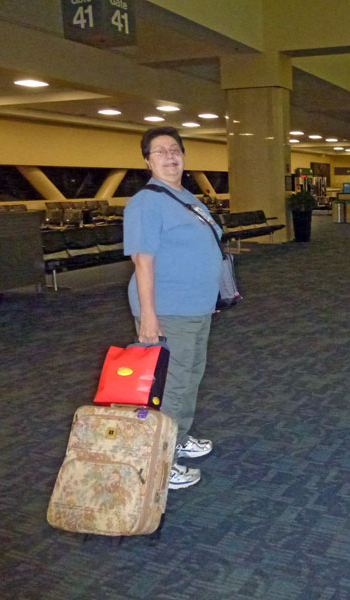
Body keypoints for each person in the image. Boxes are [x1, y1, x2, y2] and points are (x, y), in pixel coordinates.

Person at [123, 126, 222, 490]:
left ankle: (177, 439)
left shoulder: (187, 198)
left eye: (175, 149)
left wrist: (209, 296)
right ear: (147, 161)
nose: (169, 156)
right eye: (160, 151)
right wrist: (149, 317)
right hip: (167, 309)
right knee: (171, 385)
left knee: (190, 376)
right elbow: (142, 260)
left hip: (195, 307)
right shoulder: (146, 202)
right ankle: (160, 465)